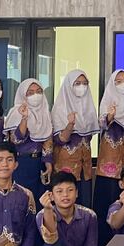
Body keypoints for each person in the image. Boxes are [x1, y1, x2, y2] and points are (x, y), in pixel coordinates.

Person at [92, 70, 124, 246]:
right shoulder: (107, 102)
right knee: (106, 208)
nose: (123, 84)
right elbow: (100, 124)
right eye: (118, 81)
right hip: (108, 169)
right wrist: (110, 116)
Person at [5, 79, 54, 210]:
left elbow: (48, 139)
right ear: (23, 95)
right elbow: (16, 139)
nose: (35, 95)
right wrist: (24, 118)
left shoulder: (45, 112)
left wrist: (48, 163)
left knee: (39, 203)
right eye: (30, 93)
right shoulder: (16, 112)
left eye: (38, 91)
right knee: (21, 202)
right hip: (22, 163)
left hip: (39, 163)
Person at [50, 70, 97, 209]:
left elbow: (89, 136)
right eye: (77, 83)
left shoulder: (88, 108)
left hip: (85, 166)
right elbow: (59, 140)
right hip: (66, 164)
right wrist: (70, 124)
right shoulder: (60, 107)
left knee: (84, 204)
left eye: (85, 83)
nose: (82, 86)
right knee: (65, 202)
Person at [36, 171, 97, 246]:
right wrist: (47, 209)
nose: (65, 195)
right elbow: (51, 240)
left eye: (70, 190)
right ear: (51, 195)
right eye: (59, 191)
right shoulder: (41, 215)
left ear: (77, 193)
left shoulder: (89, 215)